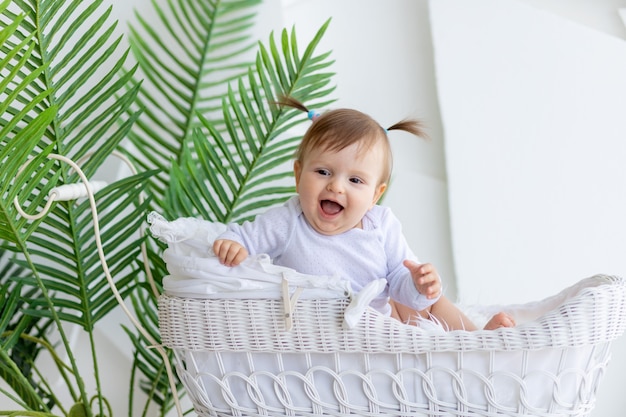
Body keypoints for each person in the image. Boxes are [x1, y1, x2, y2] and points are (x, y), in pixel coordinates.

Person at [213, 96, 514, 331]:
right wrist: (232, 244)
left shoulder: (381, 225)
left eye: (355, 180)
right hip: (330, 334)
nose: (336, 186)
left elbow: (399, 276)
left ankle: (475, 339)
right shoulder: (288, 221)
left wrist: (420, 285)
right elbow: (241, 237)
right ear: (298, 174)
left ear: (375, 195)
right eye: (322, 171)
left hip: (386, 326)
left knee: (429, 305)